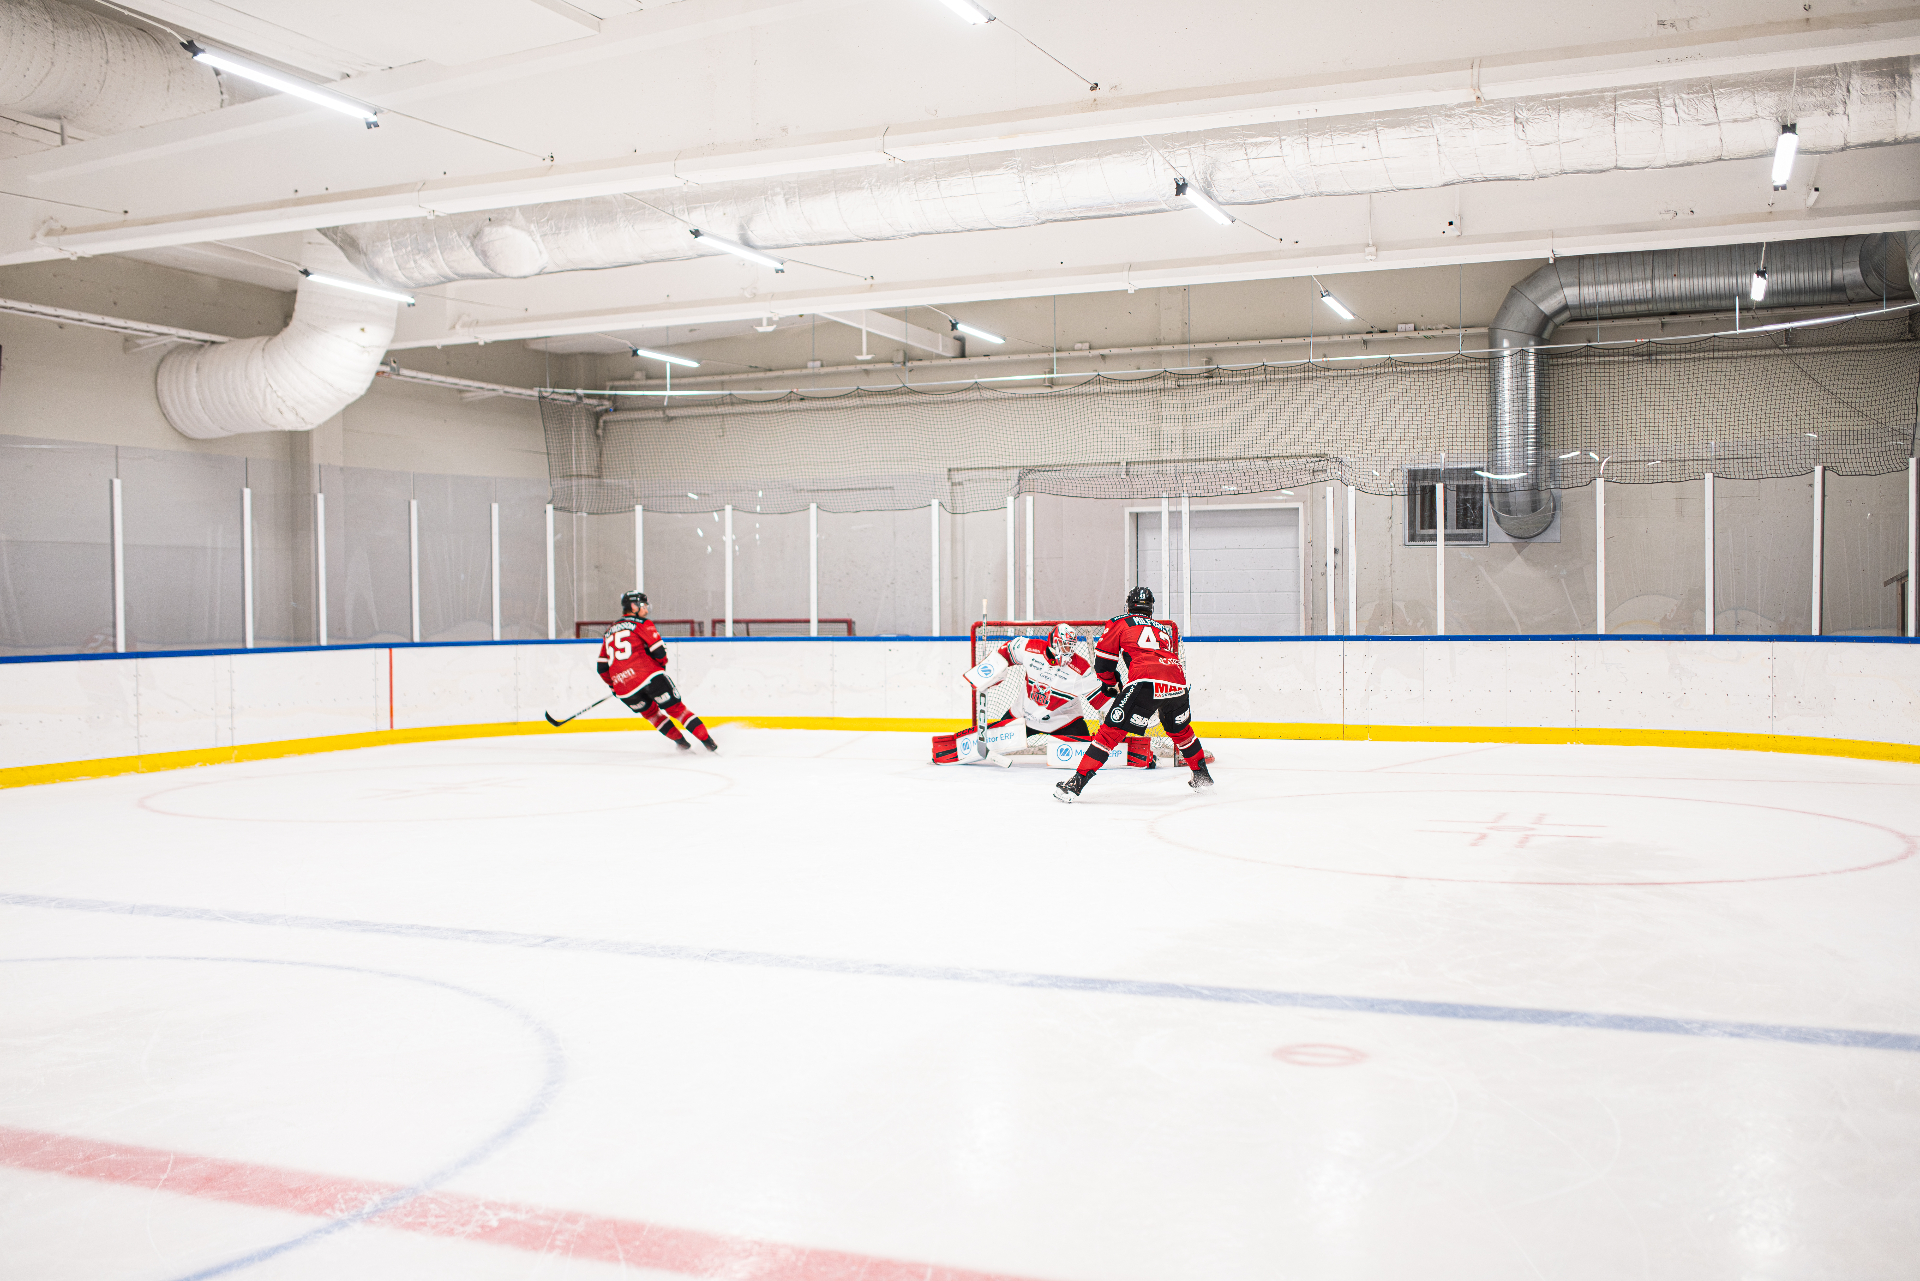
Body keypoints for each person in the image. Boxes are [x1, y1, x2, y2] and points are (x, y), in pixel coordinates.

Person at [1053, 586, 1212, 802]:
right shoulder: (1163, 629)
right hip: (1177, 682)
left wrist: (1110, 683)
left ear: (1128, 605)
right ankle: (1202, 777)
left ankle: (1074, 785)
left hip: (1146, 682)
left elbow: (1103, 664)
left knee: (1109, 734)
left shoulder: (1120, 622)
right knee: (1182, 731)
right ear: (1151, 608)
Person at [944, 623, 1124, 767]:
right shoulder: (1030, 649)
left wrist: (1124, 710)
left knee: (1088, 753)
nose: (1068, 650)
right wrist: (988, 673)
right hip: (1024, 716)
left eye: (1071, 646)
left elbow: (1100, 700)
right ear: (1053, 642)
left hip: (1063, 720)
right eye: (1064, 645)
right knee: (990, 740)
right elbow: (1005, 653)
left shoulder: (1080, 668)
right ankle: (950, 750)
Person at [597, 591, 718, 752]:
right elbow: (659, 652)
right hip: (649, 676)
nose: (646, 610)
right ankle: (710, 746)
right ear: (633, 606)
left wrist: (614, 687)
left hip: (624, 688)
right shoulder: (642, 623)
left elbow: (602, 668)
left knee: (652, 715)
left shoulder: (609, 631)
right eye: (643, 606)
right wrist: (659, 669)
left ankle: (683, 746)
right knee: (678, 710)